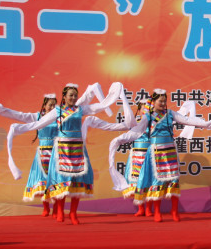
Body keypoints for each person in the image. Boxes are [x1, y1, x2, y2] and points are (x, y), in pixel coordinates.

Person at [7, 82, 131, 224]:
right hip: (62, 149)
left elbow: (100, 106)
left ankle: (73, 213)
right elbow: (39, 124)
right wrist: (18, 129)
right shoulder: (57, 111)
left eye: (75, 96)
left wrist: (116, 92)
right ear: (64, 97)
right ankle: (60, 210)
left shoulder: (81, 109)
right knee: (61, 180)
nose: (73, 98)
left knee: (77, 181)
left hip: (77, 149)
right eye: (70, 95)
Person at [109, 89, 211, 222]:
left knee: (174, 180)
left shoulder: (170, 114)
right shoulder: (148, 117)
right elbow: (137, 131)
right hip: (155, 154)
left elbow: (187, 120)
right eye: (160, 101)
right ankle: (157, 212)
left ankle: (174, 210)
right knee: (156, 182)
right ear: (154, 102)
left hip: (170, 152)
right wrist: (120, 139)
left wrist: (207, 123)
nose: (163, 104)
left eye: (165, 101)